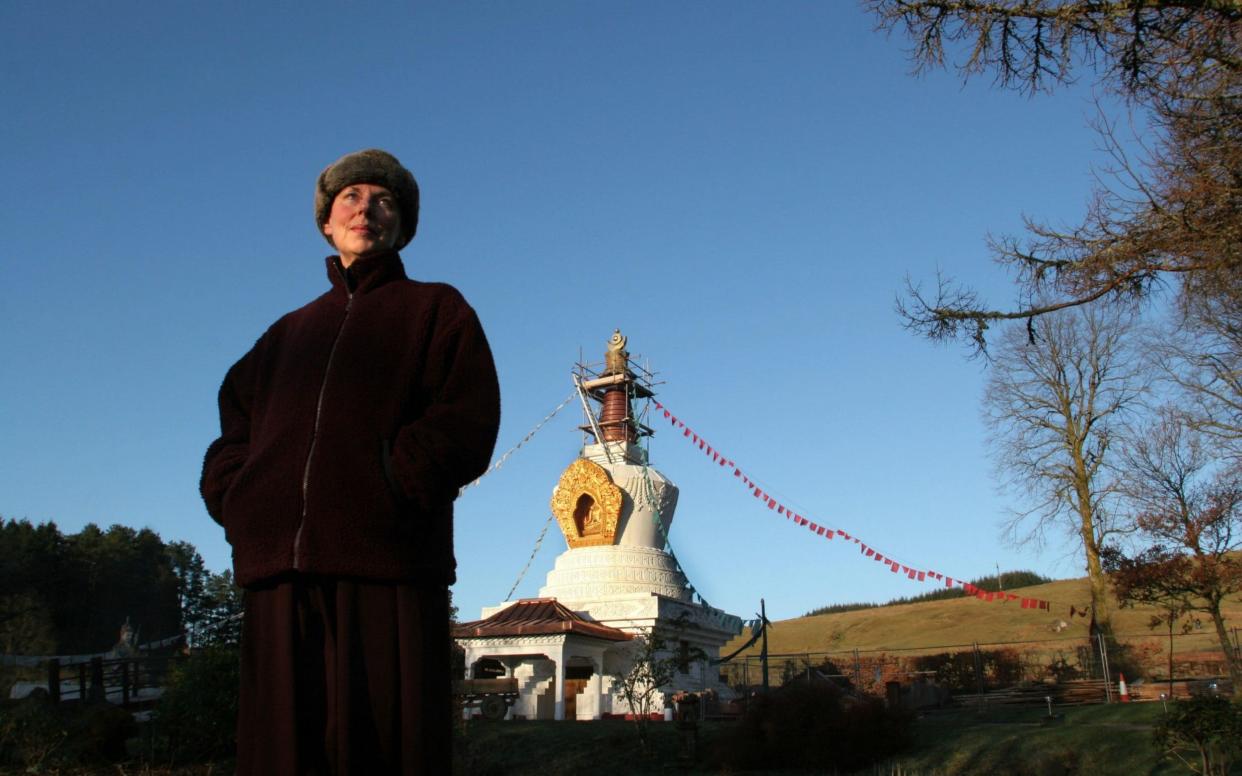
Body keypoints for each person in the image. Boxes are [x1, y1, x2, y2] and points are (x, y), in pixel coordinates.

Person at [200, 148, 501, 774]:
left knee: (386, 748)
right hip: (279, 572)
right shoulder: (285, 335)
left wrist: (392, 481)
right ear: (327, 222)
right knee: (282, 753)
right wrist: (241, 500)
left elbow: (466, 421)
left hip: (387, 563)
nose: (368, 209)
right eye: (352, 197)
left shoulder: (436, 310)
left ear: (402, 226)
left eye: (385, 200)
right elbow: (233, 431)